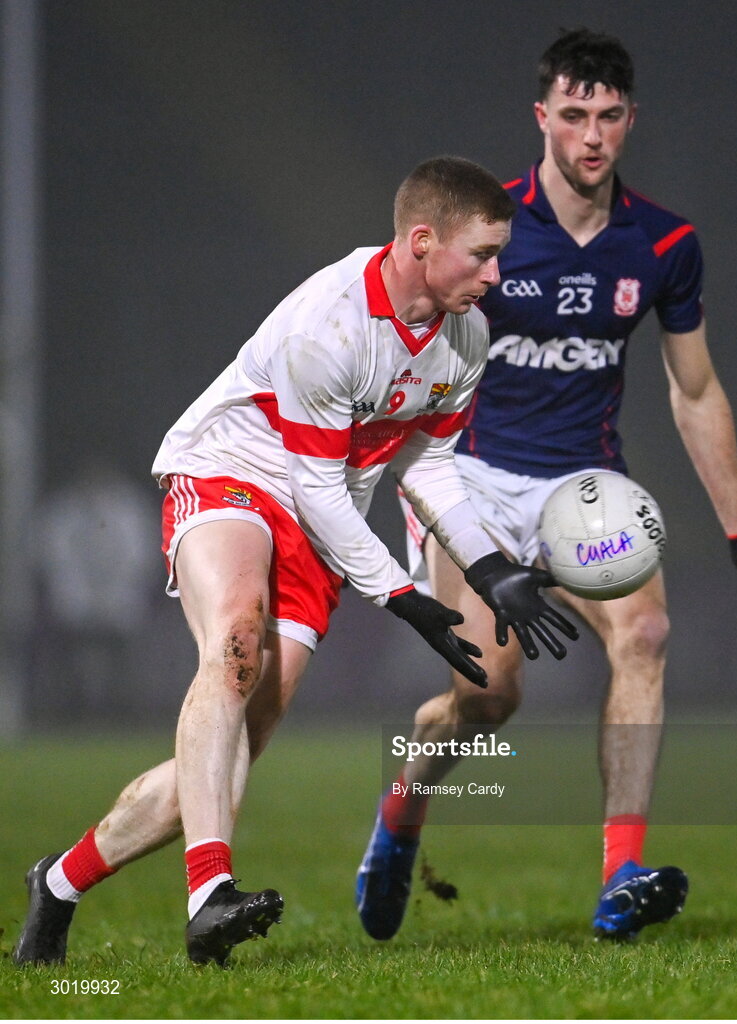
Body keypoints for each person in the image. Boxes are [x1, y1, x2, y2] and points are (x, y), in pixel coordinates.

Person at [12, 156, 579, 968]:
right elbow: (313, 485)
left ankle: (59, 882)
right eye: (482, 255)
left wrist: (490, 568)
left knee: (228, 750)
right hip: (233, 472)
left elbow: (427, 463)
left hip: (321, 519)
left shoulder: (467, 336)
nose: (496, 273)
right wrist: (399, 595)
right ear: (422, 241)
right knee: (234, 640)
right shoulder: (333, 324)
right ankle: (209, 894)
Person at [356, 29, 737, 944]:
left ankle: (620, 873)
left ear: (630, 119)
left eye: (607, 117)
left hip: (587, 487)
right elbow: (401, 353)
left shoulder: (663, 243)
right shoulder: (491, 229)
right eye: (572, 115)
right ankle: (401, 810)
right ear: (542, 119)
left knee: (646, 632)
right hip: (471, 477)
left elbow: (696, 388)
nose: (590, 135)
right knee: (487, 700)